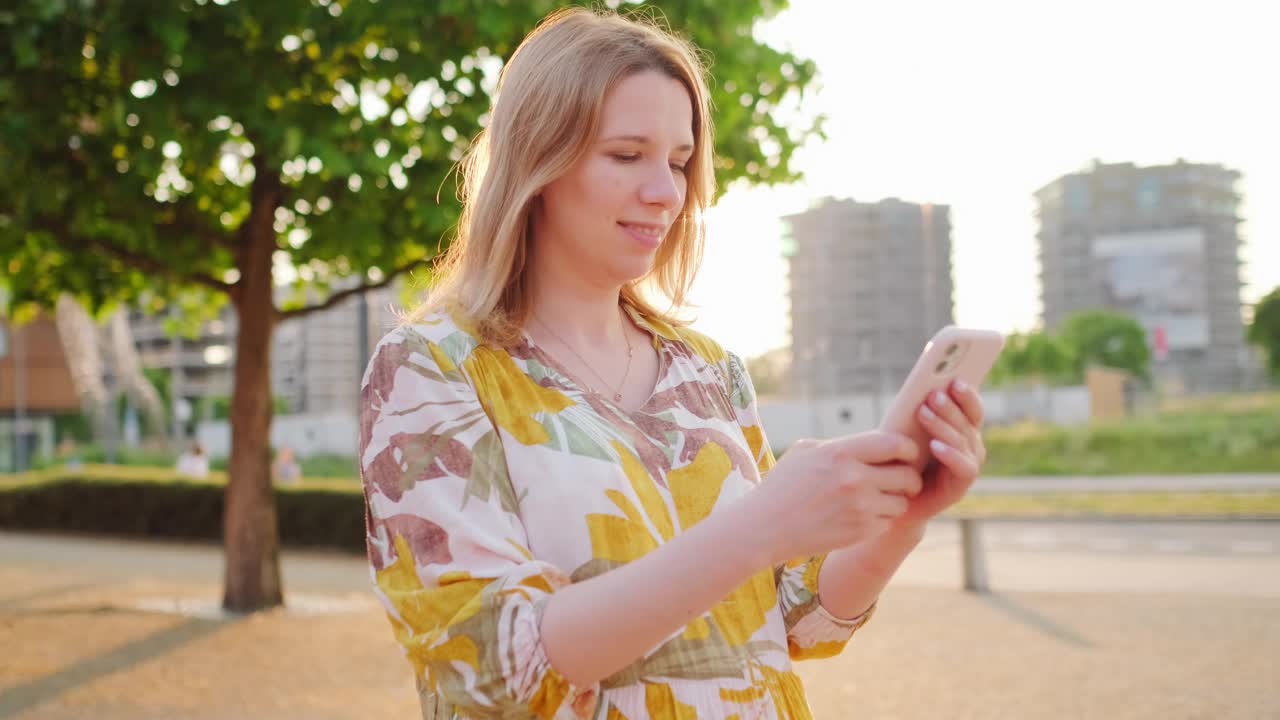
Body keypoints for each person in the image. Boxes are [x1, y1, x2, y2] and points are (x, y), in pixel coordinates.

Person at [358, 8, 989, 719]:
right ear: (536, 162)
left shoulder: (711, 371)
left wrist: (901, 516)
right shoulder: (432, 368)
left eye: (681, 162)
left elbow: (789, 622)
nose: (667, 192)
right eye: (627, 155)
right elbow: (491, 668)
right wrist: (759, 528)